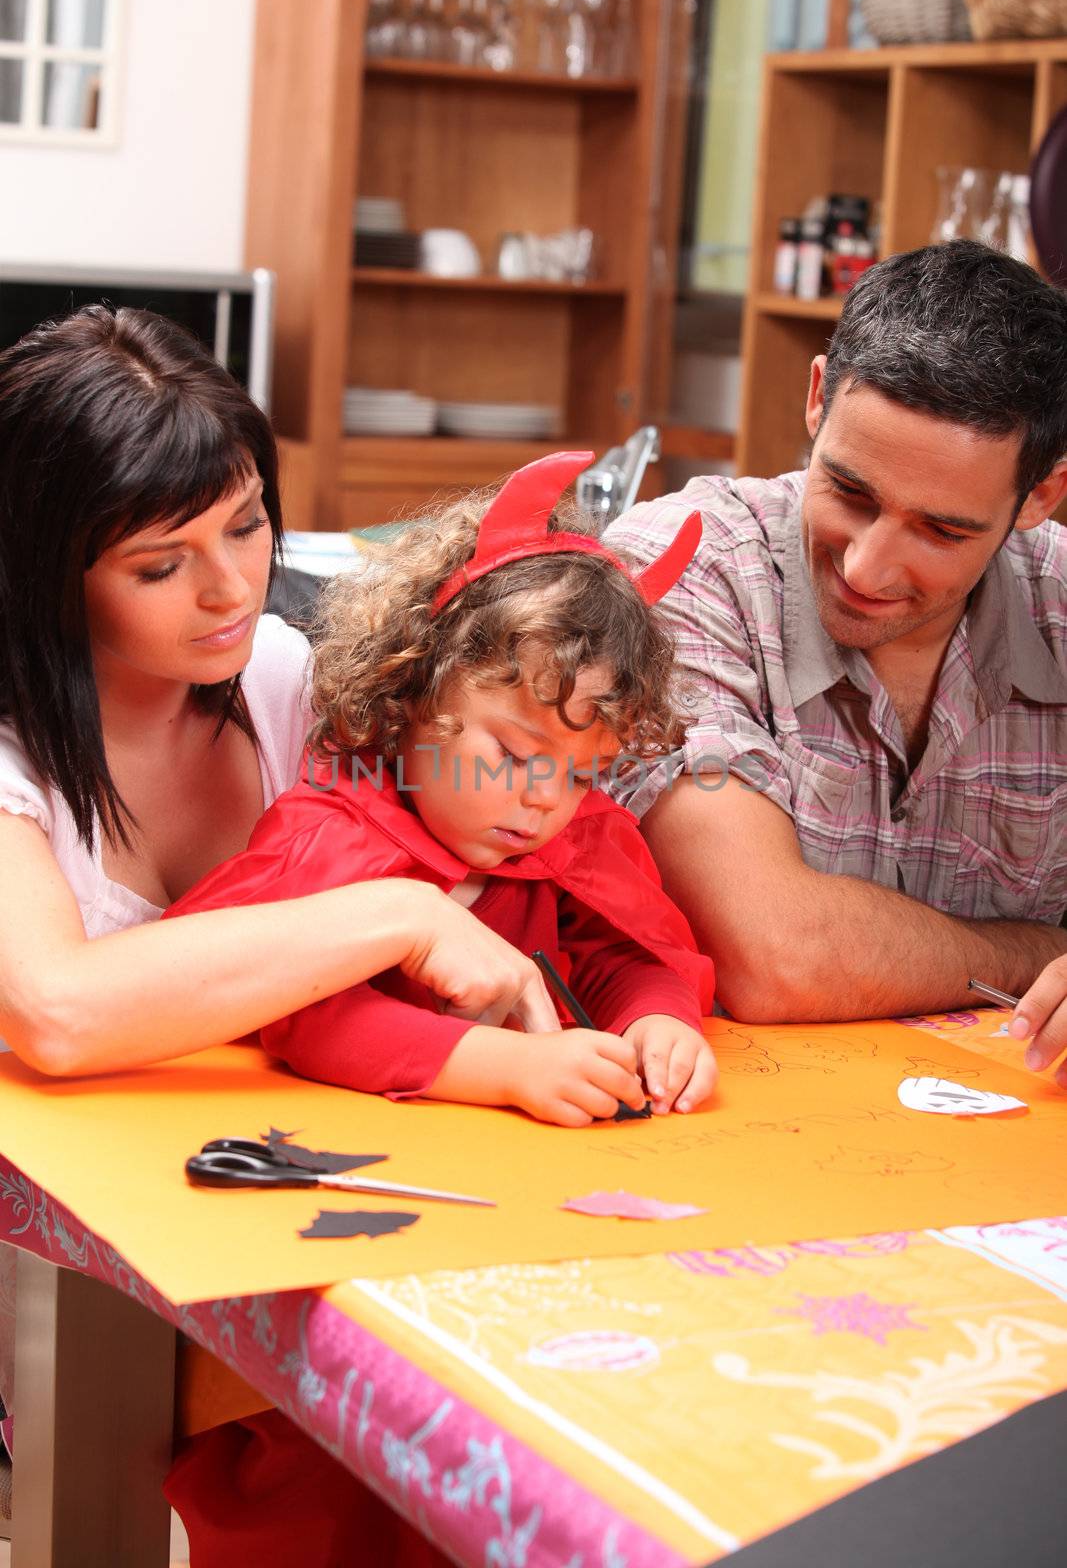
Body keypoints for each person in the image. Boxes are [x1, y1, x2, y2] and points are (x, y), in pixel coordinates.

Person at [0, 304, 571, 1556]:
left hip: (282, 1192)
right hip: (65, 1276)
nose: (232, 587)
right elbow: (59, 1010)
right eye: (161, 564)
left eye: (249, 524)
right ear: (49, 570)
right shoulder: (14, 757)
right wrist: (395, 912)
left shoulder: (287, 677)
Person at [602, 240, 1067, 1071]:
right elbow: (775, 955)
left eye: (941, 530)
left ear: (1039, 495)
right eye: (849, 493)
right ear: (817, 397)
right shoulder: (683, 560)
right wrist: (1041, 955)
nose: (864, 569)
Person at [166, 449, 718, 1123]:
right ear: (413, 694)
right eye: (514, 755)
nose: (546, 798)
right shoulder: (333, 837)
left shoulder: (565, 847)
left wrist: (657, 1020)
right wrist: (508, 1068)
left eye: (582, 774)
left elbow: (610, 958)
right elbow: (307, 1013)